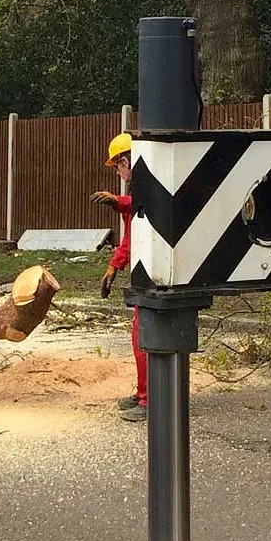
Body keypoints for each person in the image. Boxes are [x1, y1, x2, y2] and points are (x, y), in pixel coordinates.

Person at [91, 132, 147, 422]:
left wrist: (120, 202)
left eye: (117, 167)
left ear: (126, 160)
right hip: (146, 270)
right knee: (141, 334)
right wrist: (114, 266)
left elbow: (143, 204)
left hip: (159, 273)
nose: (118, 173)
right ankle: (144, 394)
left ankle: (150, 400)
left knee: (145, 335)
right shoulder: (137, 187)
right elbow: (131, 236)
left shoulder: (149, 184)